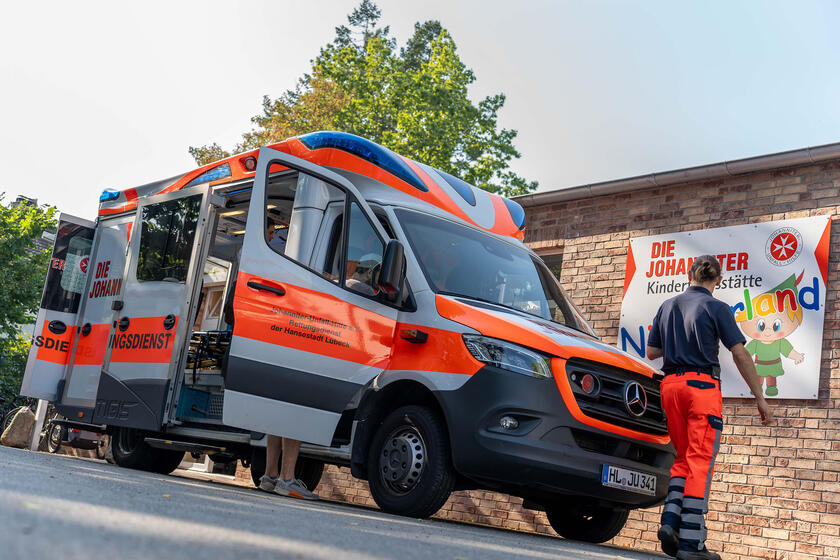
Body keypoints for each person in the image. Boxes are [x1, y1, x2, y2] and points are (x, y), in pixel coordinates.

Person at [646, 255, 773, 560]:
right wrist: (759, 396)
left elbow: (652, 351)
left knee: (683, 459)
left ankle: (670, 523)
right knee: (701, 462)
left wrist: (680, 339)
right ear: (718, 280)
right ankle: (692, 544)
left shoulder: (667, 306)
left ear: (688, 275)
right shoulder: (717, 308)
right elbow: (740, 354)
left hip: (671, 388)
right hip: (701, 389)